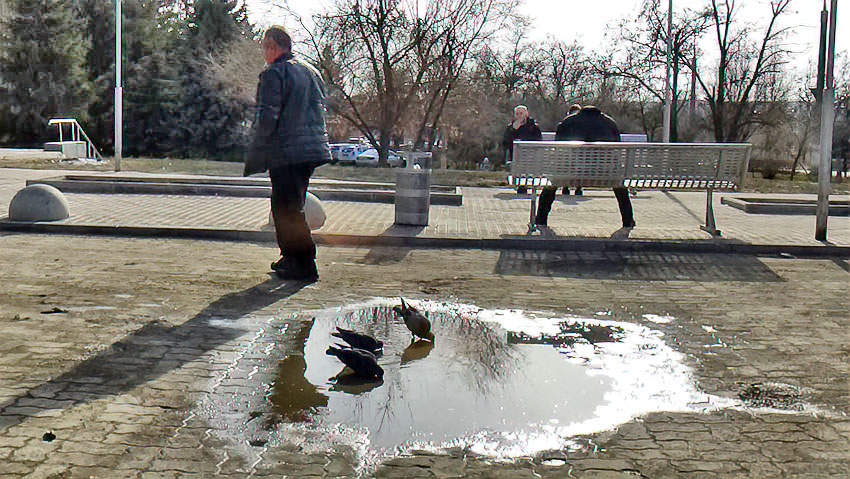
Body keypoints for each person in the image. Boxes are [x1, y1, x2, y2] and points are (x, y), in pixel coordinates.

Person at [245, 26, 331, 282]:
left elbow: (268, 117)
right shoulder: (311, 71)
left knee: (285, 207)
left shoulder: (274, 73)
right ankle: (291, 257)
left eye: (264, 48)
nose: (264, 54)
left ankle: (303, 262)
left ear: (273, 47)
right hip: (312, 149)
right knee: (293, 204)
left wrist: (257, 148)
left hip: (287, 150)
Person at [534, 105, 635, 229]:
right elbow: (616, 148)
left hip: (570, 173)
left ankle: (540, 219)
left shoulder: (568, 122)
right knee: (620, 186)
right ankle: (628, 220)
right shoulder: (610, 123)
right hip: (604, 174)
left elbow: (558, 149)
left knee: (551, 184)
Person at [501, 105, 542, 193]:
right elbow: (505, 142)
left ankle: (525, 184)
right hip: (516, 155)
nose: (519, 116)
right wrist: (513, 130)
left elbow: (538, 140)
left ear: (526, 114)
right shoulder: (511, 127)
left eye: (521, 113)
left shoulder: (533, 126)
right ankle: (521, 185)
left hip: (530, 154)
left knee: (527, 163)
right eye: (517, 114)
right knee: (517, 162)